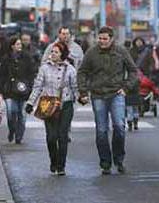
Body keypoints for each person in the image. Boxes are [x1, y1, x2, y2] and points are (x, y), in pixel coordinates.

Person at [77, 26, 138, 175]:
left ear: (111, 39)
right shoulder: (92, 52)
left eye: (105, 39)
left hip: (116, 93)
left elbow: (133, 71)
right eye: (100, 38)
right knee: (101, 130)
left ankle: (119, 159)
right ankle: (105, 162)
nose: (102, 41)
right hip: (98, 94)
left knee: (119, 126)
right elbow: (82, 71)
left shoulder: (121, 51)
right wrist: (83, 91)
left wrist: (126, 87)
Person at [25, 42, 78, 175]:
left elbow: (75, 87)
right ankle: (53, 160)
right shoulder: (44, 68)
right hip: (48, 105)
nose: (52, 54)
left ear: (62, 54)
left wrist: (81, 97)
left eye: (56, 52)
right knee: (51, 137)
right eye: (52, 52)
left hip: (65, 105)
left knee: (62, 136)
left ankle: (61, 166)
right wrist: (30, 103)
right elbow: (38, 86)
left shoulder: (70, 69)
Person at [0, 37, 36, 144]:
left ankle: (19, 136)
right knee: (11, 112)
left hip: (24, 91)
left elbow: (31, 73)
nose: (19, 46)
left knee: (22, 114)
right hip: (10, 91)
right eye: (17, 44)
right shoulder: (6, 59)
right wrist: (2, 88)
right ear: (12, 46)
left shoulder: (27, 58)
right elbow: (2, 75)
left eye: (20, 44)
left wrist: (30, 86)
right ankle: (12, 130)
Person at [127, 37, 146, 131]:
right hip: (136, 81)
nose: (139, 43)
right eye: (137, 41)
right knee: (132, 107)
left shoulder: (146, 51)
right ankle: (132, 122)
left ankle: (132, 121)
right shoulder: (131, 52)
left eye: (140, 41)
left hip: (139, 78)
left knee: (132, 107)